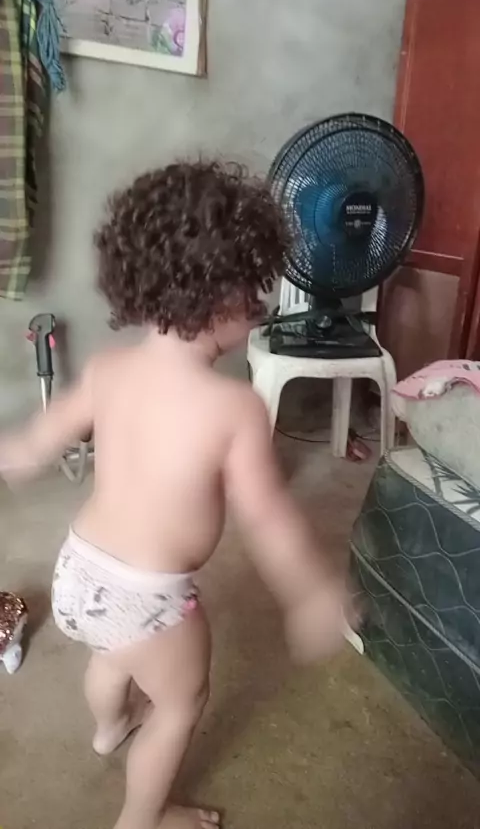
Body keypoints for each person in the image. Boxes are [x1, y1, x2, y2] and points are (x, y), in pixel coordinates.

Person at [0, 162, 353, 829]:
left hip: (78, 572)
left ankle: (109, 728)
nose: (260, 307)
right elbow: (268, 517)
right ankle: (144, 818)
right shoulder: (234, 408)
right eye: (257, 291)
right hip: (148, 599)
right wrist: (309, 591)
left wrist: (16, 451)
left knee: (111, 655)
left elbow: (40, 438)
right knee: (182, 702)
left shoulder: (107, 369)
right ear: (225, 300)